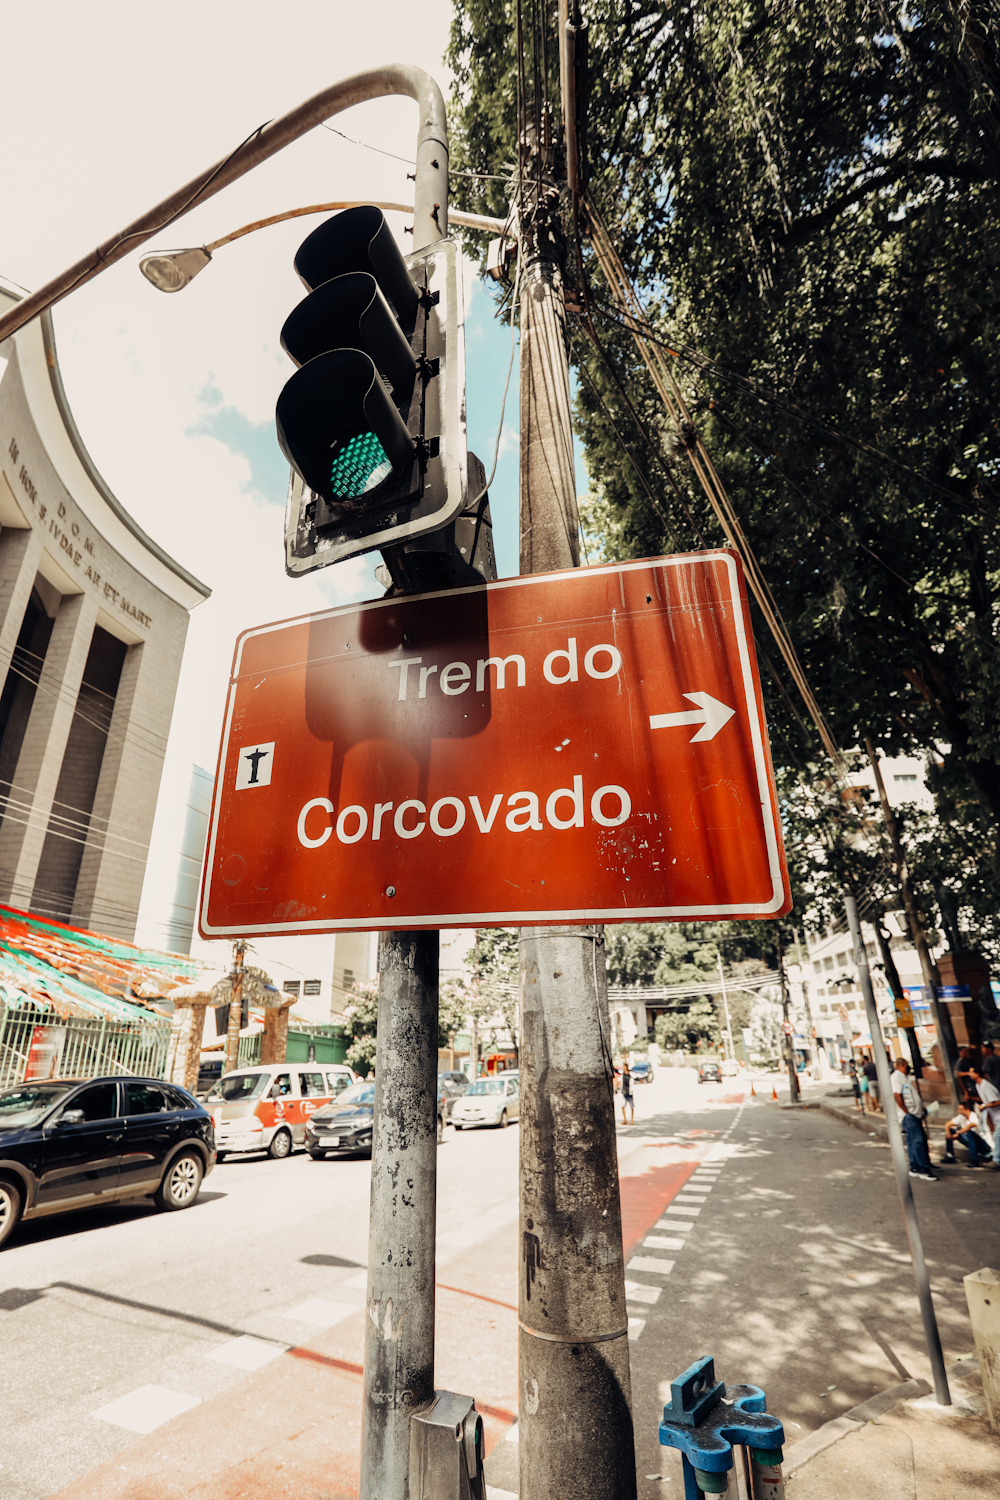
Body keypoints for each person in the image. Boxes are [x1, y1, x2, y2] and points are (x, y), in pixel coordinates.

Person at [890, 1058, 936, 1180]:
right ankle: (923, 1169)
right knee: (917, 1141)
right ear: (903, 1065)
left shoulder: (904, 1077)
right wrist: (906, 1112)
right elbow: (897, 1095)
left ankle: (915, 1166)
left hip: (914, 1113)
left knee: (914, 1141)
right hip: (909, 1115)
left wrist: (920, 1108)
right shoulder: (896, 1077)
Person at [970, 1065, 1000, 1169]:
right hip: (995, 1117)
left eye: (971, 1072)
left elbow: (996, 1101)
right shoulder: (978, 1086)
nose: (969, 1074)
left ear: (977, 1074)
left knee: (997, 1136)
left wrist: (985, 1105)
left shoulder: (985, 1086)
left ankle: (996, 1161)